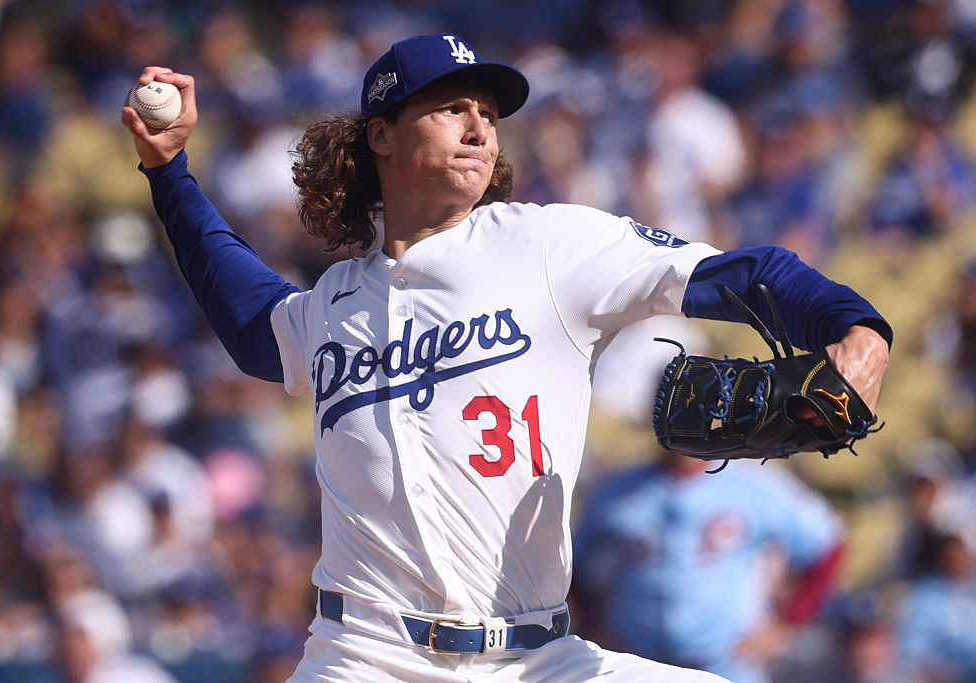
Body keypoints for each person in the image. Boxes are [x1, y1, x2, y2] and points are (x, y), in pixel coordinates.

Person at [121, 32, 891, 682]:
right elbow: (250, 318)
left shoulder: (547, 244)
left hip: (537, 658)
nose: (479, 127)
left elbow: (740, 274)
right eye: (450, 107)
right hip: (364, 657)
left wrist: (856, 326)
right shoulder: (332, 305)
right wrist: (169, 172)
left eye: (488, 114)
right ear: (381, 135)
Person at [571, 451, 845, 683]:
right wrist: (593, 624)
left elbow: (828, 546)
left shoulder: (752, 483)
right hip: (637, 662)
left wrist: (786, 625)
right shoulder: (620, 487)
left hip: (724, 663)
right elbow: (573, 560)